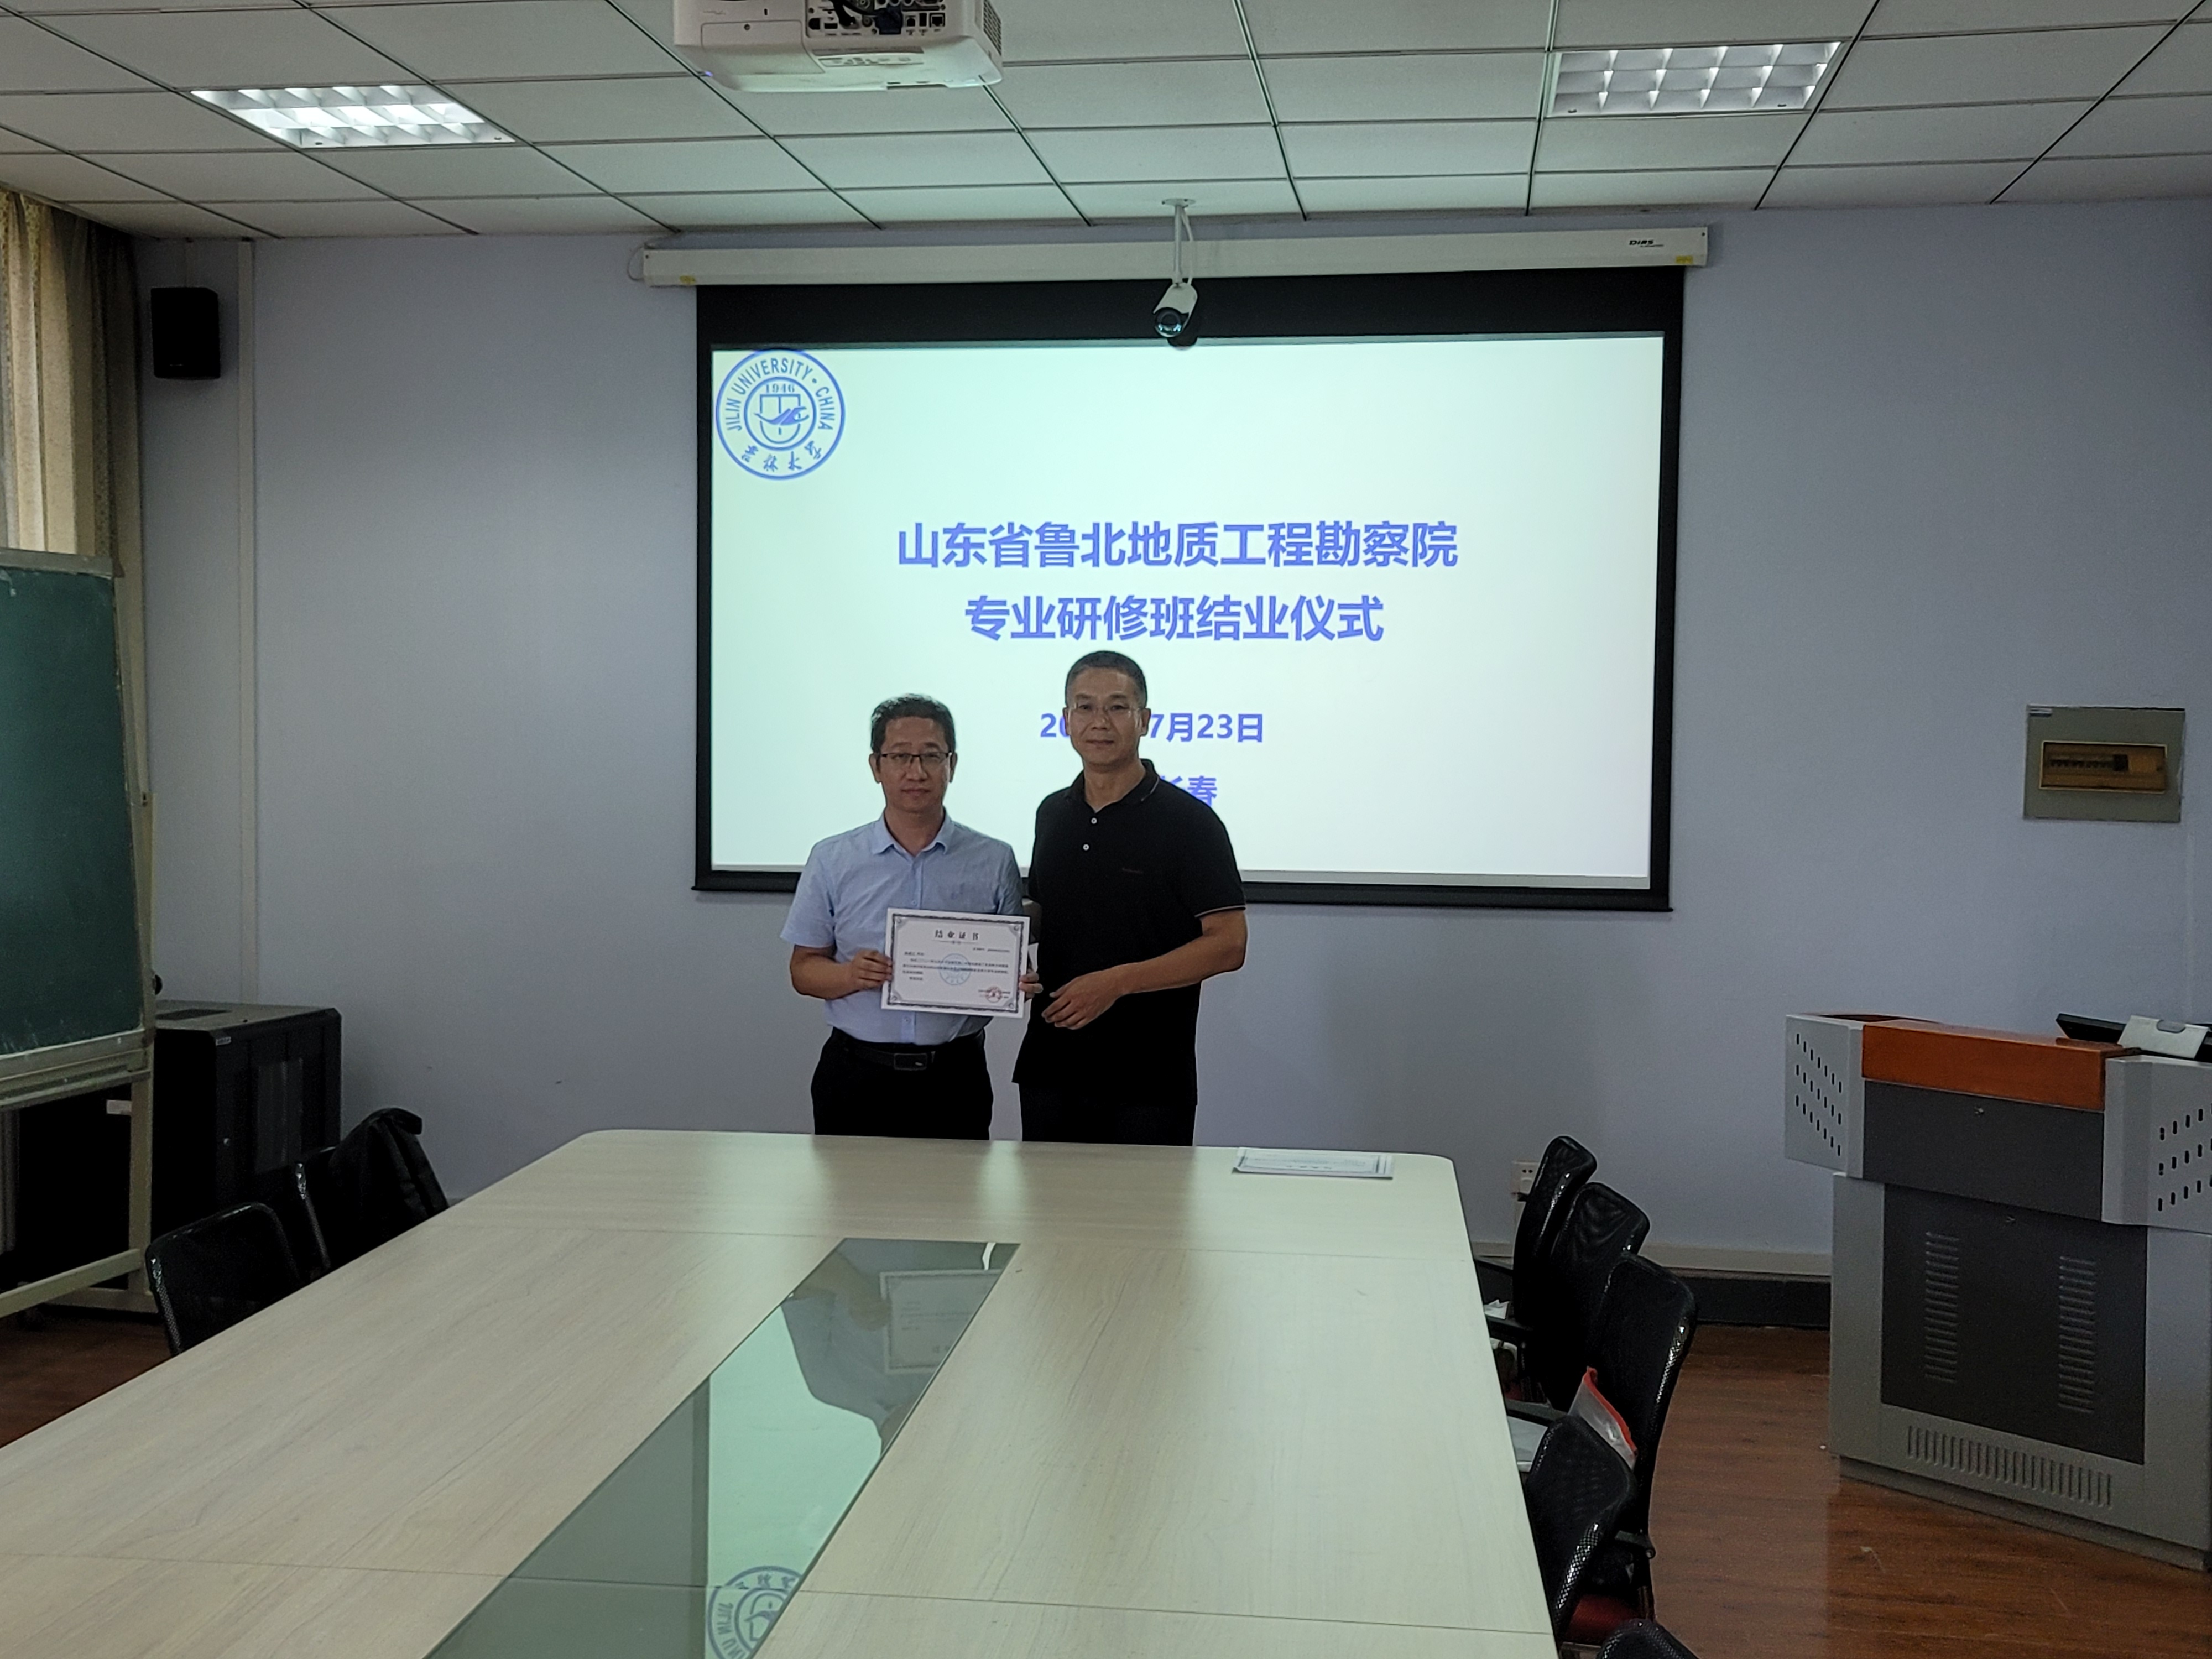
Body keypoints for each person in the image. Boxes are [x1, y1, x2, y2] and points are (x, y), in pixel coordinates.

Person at [1014, 650, 1247, 1145]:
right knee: (1045, 1198)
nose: (1099, 722)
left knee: (1146, 1201)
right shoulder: (1052, 813)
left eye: (1117, 707)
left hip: (1148, 1079)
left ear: (1144, 720)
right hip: (1051, 1066)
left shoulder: (1190, 823)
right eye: (1084, 707)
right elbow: (1048, 913)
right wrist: (998, 951)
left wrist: (1117, 983)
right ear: (1066, 720)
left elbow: (1228, 944)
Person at [783, 694, 1022, 1139]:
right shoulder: (833, 858)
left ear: (952, 764)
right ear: (876, 766)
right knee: (850, 1188)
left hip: (955, 1077)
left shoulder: (994, 859)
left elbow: (1009, 966)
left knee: (958, 1188)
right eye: (900, 757)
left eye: (931, 756)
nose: (916, 772)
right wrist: (851, 975)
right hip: (857, 1075)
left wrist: (1013, 980)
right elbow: (803, 971)